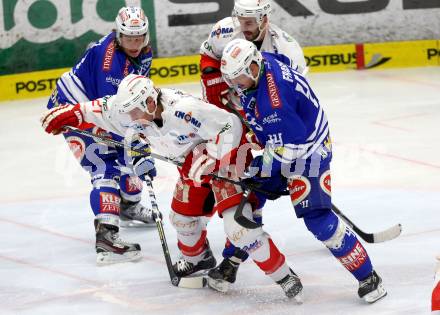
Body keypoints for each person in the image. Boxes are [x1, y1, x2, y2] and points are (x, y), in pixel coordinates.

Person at [40, 74, 304, 300]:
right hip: (192, 165)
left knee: (239, 231)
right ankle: (197, 260)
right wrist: (70, 114)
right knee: (182, 219)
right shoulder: (134, 109)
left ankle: (284, 276)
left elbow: (230, 125)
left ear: (150, 101)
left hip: (226, 161)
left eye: (134, 110)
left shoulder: (184, 109)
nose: (129, 117)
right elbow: (100, 109)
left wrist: (214, 158)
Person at [220, 38, 388, 304]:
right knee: (250, 196)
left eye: (238, 77)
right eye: (232, 78)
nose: (235, 84)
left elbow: (292, 147)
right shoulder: (266, 63)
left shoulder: (274, 105)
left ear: (253, 67)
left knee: (317, 219)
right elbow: (284, 67)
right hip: (288, 140)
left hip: (309, 151)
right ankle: (232, 260)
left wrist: (263, 167)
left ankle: (369, 277)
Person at [199, 0, 307, 291]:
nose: (243, 27)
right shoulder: (224, 35)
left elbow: (300, 100)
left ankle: (233, 259)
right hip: (236, 123)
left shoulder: (286, 50)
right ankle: (232, 260)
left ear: (265, 19)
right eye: (240, 19)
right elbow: (207, 61)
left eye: (250, 21)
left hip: (276, 127)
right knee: (245, 192)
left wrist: (285, 144)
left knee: (259, 189)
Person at [45, 6, 157, 265]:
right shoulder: (110, 64)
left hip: (97, 107)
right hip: (72, 113)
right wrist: (137, 139)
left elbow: (131, 100)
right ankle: (106, 235)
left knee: (127, 153)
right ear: (118, 35)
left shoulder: (143, 53)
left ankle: (127, 206)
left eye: (139, 38)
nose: (134, 44)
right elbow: (111, 112)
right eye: (129, 38)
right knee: (104, 164)